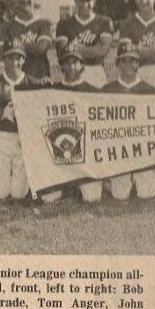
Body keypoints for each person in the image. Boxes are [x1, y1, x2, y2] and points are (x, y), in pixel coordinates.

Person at [102, 39, 155, 200]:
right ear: (118, 64)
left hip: (142, 146)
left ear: (137, 64)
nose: (127, 64)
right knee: (120, 195)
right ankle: (110, 178)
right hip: (119, 147)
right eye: (123, 60)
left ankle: (150, 175)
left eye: (132, 60)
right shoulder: (107, 89)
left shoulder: (149, 89)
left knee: (146, 193)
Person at [0, 39, 39, 201]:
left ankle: (18, 176)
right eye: (10, 58)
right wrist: (8, 104)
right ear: (4, 59)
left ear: (23, 60)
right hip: (1, 137)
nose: (14, 62)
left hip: (22, 138)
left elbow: (37, 118)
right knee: (0, 193)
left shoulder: (32, 82)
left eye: (18, 58)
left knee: (18, 193)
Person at [53, 43, 103, 202]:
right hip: (61, 150)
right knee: (49, 197)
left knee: (93, 197)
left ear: (82, 65)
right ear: (61, 66)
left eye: (75, 62)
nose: (71, 66)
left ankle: (89, 182)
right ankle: (69, 185)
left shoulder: (93, 91)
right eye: (67, 62)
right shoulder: (52, 91)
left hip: (86, 150)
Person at [55, 0, 114, 88]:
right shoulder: (64, 24)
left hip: (96, 71)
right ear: (75, 0)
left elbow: (103, 50)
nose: (84, 4)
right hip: (72, 71)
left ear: (94, 0)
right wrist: (92, 49)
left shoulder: (104, 21)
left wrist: (75, 48)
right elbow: (62, 53)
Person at [0, 0, 53, 81]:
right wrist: (32, 46)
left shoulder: (44, 24)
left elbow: (41, 48)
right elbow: (1, 53)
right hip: (13, 81)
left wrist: (13, 48)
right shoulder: (6, 26)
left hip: (40, 79)